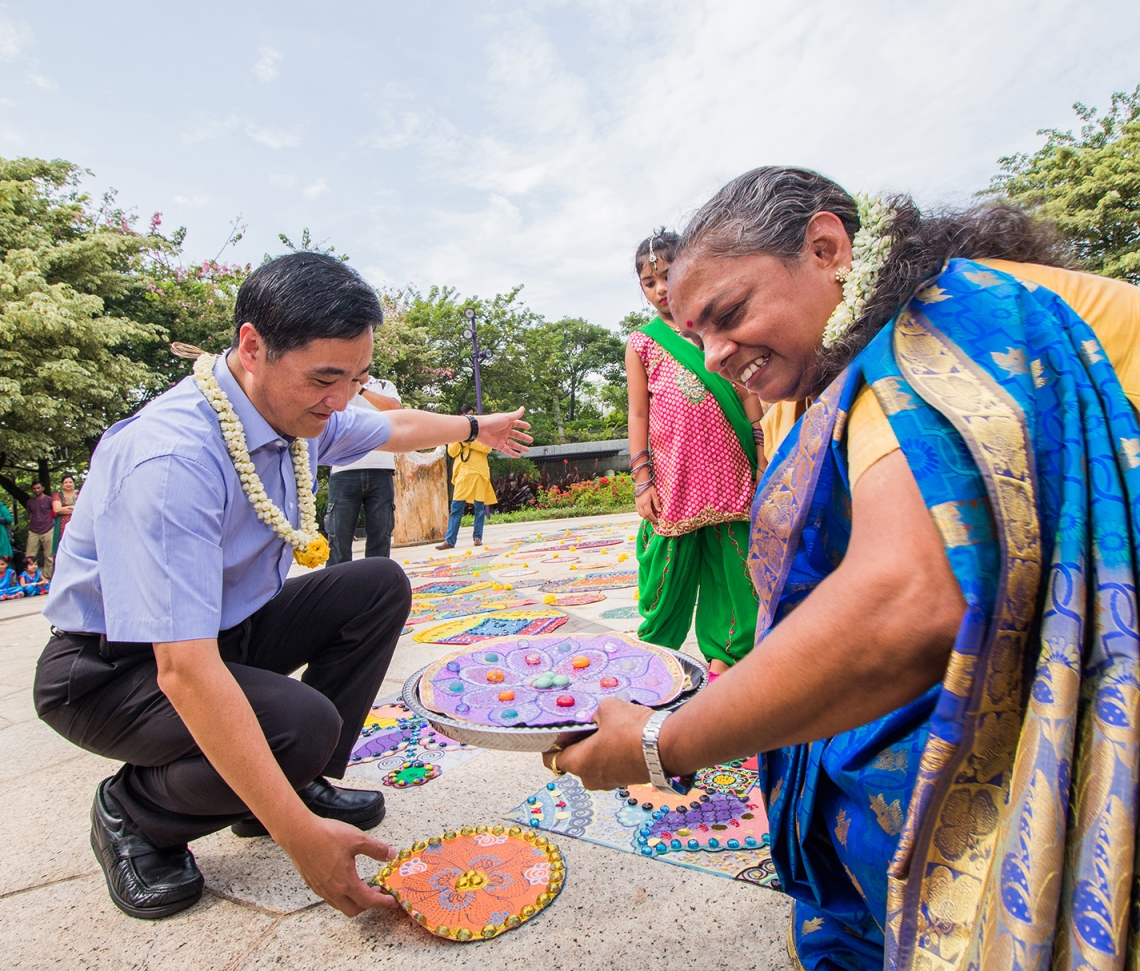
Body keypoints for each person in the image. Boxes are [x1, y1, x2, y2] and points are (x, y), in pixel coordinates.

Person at [549, 166, 1140, 970]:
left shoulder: (947, 321)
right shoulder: (844, 360)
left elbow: (904, 603)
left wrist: (663, 741)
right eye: (697, 337)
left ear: (827, 248)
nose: (716, 356)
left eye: (729, 315)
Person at [33, 252, 531, 922]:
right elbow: (182, 669)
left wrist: (478, 428)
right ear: (252, 347)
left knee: (376, 584)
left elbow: (394, 425)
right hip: (113, 666)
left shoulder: (292, 415)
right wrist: (304, 840)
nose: (342, 399)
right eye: (327, 378)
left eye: (354, 377)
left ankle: (285, 786)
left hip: (224, 628)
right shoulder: (173, 457)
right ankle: (137, 812)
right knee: (302, 724)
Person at [627, 228, 763, 676]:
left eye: (668, 275)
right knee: (666, 564)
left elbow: (746, 391)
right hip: (674, 474)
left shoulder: (715, 326)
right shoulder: (642, 342)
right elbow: (639, 415)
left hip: (730, 463)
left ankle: (727, 657)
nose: (662, 289)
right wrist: (642, 478)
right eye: (650, 282)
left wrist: (760, 450)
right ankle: (654, 656)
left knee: (734, 566)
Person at [325, 375, 402, 564]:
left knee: (381, 535)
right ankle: (337, 590)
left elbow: (394, 408)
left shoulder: (383, 385)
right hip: (344, 468)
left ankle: (376, 587)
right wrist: (348, 384)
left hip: (380, 468)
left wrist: (361, 389)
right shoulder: (337, 383)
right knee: (338, 539)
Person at [436, 404, 496, 550]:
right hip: (463, 474)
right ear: (461, 416)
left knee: (479, 508)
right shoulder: (455, 431)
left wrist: (469, 442)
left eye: (472, 414)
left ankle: (477, 537)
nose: (470, 416)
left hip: (479, 473)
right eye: (467, 414)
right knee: (456, 507)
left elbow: (487, 447)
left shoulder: (481, 429)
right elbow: (452, 451)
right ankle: (449, 540)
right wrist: (463, 440)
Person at [24, 481, 57, 580]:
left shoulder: (49, 500)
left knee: (49, 556)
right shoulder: (30, 502)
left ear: (43, 488)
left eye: (38, 488)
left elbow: (55, 513)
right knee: (29, 556)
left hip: (48, 529)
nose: (36, 490)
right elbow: (30, 515)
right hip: (34, 530)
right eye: (34, 488)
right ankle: (28, 578)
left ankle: (46, 577)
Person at [50, 475, 78, 558]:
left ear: (74, 484)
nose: (68, 484)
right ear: (62, 484)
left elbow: (84, 508)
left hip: (78, 522)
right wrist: (75, 509)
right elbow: (57, 510)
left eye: (70, 482)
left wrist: (65, 508)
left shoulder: (80, 494)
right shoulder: (58, 495)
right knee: (64, 543)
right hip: (63, 524)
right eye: (66, 482)